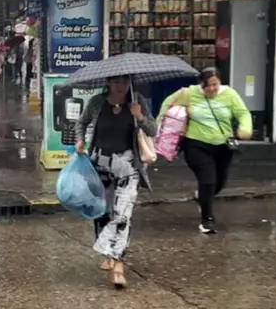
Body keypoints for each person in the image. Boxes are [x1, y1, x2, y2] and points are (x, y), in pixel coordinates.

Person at [74, 76, 157, 289]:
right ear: (109, 82)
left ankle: (118, 264)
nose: (121, 86)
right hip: (99, 164)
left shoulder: (137, 101)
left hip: (128, 166)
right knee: (102, 212)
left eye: (125, 81)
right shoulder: (97, 102)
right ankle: (108, 253)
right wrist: (80, 140)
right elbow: (81, 123)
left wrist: (139, 116)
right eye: (117, 82)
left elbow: (153, 130)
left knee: (122, 216)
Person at [158, 67, 252, 234]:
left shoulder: (230, 94)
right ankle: (207, 219)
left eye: (215, 85)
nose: (212, 89)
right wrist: (159, 127)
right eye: (207, 86)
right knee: (208, 180)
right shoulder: (188, 94)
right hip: (196, 144)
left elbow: (242, 113)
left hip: (223, 145)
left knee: (219, 182)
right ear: (200, 84)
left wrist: (245, 128)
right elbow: (167, 104)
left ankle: (202, 196)